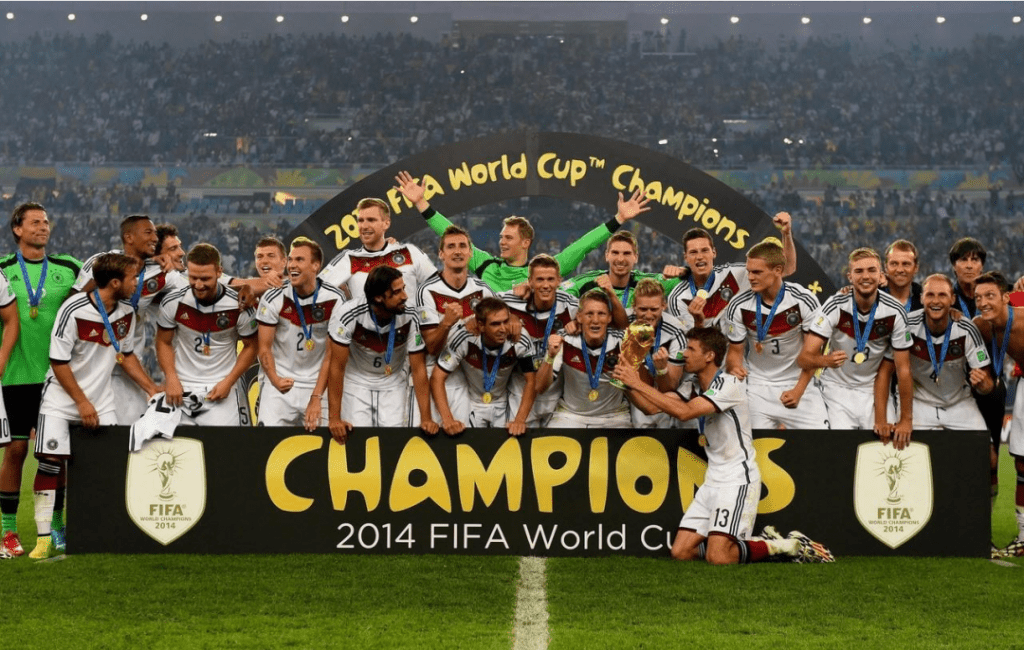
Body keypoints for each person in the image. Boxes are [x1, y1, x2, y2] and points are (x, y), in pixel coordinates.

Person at [612, 326, 833, 564]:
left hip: (737, 479)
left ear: (709, 356)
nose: (684, 354)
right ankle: (754, 543)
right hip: (712, 480)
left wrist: (637, 382)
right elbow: (651, 407)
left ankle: (784, 545)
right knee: (681, 552)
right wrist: (625, 384)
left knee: (718, 557)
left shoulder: (729, 384)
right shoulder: (692, 385)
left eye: (691, 349)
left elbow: (685, 412)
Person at [32, 253, 159, 559]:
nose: (136, 283)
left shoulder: (126, 312)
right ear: (115, 282)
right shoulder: (73, 309)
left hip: (101, 401)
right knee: (50, 464)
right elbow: (58, 362)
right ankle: (43, 538)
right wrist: (81, 402)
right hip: (61, 399)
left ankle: (99, 533)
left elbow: (126, 355)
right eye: (132, 278)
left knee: (105, 466)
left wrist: (152, 388)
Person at [394, 170, 649, 292]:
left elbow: (583, 245)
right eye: (501, 237)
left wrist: (618, 219)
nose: (502, 242)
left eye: (508, 238)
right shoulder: (486, 265)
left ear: (525, 242)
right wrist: (421, 203)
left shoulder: (545, 271)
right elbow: (450, 234)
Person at [0, 202, 80, 559]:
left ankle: (57, 527)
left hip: (57, 378)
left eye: (46, 221)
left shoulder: (69, 267)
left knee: (55, 455)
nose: (43, 227)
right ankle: (8, 532)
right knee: (16, 451)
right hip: (17, 374)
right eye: (34, 222)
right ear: (17, 229)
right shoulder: (2, 270)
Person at [73, 214, 186, 424]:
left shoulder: (161, 272)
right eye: (148, 232)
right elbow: (72, 303)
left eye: (155, 233)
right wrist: (103, 279)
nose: (155, 238)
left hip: (130, 370)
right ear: (129, 237)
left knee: (130, 435)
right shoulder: (99, 262)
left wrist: (246, 287)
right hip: (91, 366)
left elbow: (199, 287)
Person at [799, 249, 914, 445]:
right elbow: (804, 358)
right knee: (840, 447)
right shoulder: (835, 305)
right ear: (850, 277)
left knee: (886, 447)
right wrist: (826, 360)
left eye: (871, 270)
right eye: (859, 271)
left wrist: (905, 420)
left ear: (881, 276)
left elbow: (903, 369)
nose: (866, 276)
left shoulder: (895, 311)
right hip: (836, 389)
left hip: (874, 389)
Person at [724, 241, 829, 430]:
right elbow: (735, 352)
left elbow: (813, 354)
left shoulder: (803, 300)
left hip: (798, 382)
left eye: (757, 272)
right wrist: (734, 367)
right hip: (757, 387)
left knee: (820, 439)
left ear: (778, 270)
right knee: (753, 444)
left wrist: (798, 391)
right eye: (749, 271)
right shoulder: (738, 305)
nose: (750, 277)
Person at [326, 265, 438, 443]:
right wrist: (334, 418)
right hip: (357, 382)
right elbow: (336, 368)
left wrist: (426, 418)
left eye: (403, 288)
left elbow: (418, 369)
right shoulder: (348, 313)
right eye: (397, 292)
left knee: (392, 443)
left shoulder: (410, 314)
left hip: (393, 382)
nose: (405, 296)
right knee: (357, 441)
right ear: (378, 297)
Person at [156, 244, 257, 426]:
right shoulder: (173, 302)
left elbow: (251, 346)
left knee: (227, 443)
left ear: (219, 272)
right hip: (181, 387)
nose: (198, 285)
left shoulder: (239, 305)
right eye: (193, 277)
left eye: (205, 278)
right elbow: (163, 342)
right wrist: (171, 378)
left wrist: (229, 381)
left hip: (222, 387)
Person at [255, 237, 345, 428]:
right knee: (267, 442)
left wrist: (316, 396)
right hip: (279, 383)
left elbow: (332, 354)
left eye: (299, 260)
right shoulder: (273, 296)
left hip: (318, 385)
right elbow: (264, 348)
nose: (292, 265)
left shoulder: (334, 298)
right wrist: (275, 380)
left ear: (315, 265)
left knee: (322, 442)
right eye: (290, 260)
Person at [415, 225, 494, 424]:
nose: (457, 251)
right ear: (441, 254)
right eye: (451, 247)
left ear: (470, 253)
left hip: (465, 378)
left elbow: (497, 333)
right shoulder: (427, 291)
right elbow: (432, 348)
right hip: (431, 373)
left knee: (463, 438)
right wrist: (447, 323)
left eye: (462, 246)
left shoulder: (483, 291)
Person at [971, 272, 1024, 557]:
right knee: (1021, 462)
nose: (983, 303)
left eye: (990, 296)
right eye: (978, 298)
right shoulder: (981, 325)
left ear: (1006, 298)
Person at [431, 297, 536, 436]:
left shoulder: (519, 339)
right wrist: (448, 420)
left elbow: (531, 381)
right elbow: (437, 378)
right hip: (472, 402)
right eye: (495, 324)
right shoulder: (465, 338)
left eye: (506, 321)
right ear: (480, 325)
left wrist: (520, 420)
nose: (503, 329)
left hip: (503, 402)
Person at [666, 218, 797, 329]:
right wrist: (698, 323)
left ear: (714, 253)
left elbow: (787, 268)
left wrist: (786, 234)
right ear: (685, 257)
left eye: (705, 250)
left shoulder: (734, 275)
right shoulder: (677, 298)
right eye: (693, 252)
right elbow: (689, 343)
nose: (699, 257)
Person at [903, 274, 993, 432]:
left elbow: (986, 383)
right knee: (903, 445)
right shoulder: (906, 326)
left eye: (942, 295)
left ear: (952, 299)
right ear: (921, 298)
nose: (936, 301)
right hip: (917, 403)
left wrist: (983, 384)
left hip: (959, 403)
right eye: (930, 295)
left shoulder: (967, 329)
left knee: (980, 443)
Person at [500, 255, 579, 428]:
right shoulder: (510, 301)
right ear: (530, 281)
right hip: (519, 392)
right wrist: (507, 317)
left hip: (556, 395)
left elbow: (597, 315)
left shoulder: (570, 305)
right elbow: (483, 309)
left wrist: (580, 324)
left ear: (559, 281)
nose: (545, 285)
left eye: (550, 279)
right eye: (540, 279)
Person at [536, 289, 630, 428]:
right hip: (570, 415)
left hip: (614, 416)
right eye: (589, 314)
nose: (595, 320)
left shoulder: (623, 342)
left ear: (610, 318)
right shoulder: (564, 339)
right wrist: (550, 357)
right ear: (579, 317)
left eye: (601, 314)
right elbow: (539, 387)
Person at [319, 197, 436, 302]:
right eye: (360, 220)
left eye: (371, 220)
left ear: (386, 224)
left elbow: (438, 288)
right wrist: (345, 301)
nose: (364, 226)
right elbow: (316, 291)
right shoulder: (348, 259)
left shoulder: (409, 252)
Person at [561, 230, 678, 327]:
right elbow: (554, 292)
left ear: (636, 257)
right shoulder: (588, 283)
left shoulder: (648, 284)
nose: (620, 259)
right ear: (607, 256)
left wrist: (681, 271)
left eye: (626, 253)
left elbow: (688, 279)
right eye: (615, 253)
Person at [626, 278, 689, 428]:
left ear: (663, 306)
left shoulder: (677, 331)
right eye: (643, 309)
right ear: (633, 307)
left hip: (665, 394)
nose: (648, 315)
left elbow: (669, 387)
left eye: (654, 309)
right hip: (632, 393)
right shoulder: (622, 325)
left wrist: (662, 370)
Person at [882, 239, 923, 313]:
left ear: (916, 268)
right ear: (885, 267)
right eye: (894, 264)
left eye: (906, 264)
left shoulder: (926, 301)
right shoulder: (871, 298)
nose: (900, 270)